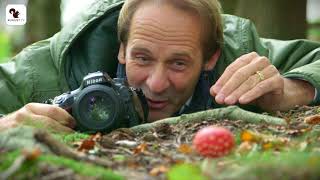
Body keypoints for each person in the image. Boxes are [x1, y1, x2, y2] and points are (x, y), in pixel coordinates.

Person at [0, 0, 319, 133]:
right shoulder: (49, 66)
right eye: (143, 57)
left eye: (179, 63)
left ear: (210, 57)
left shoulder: (237, 51)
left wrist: (293, 88)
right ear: (121, 48)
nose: (155, 83)